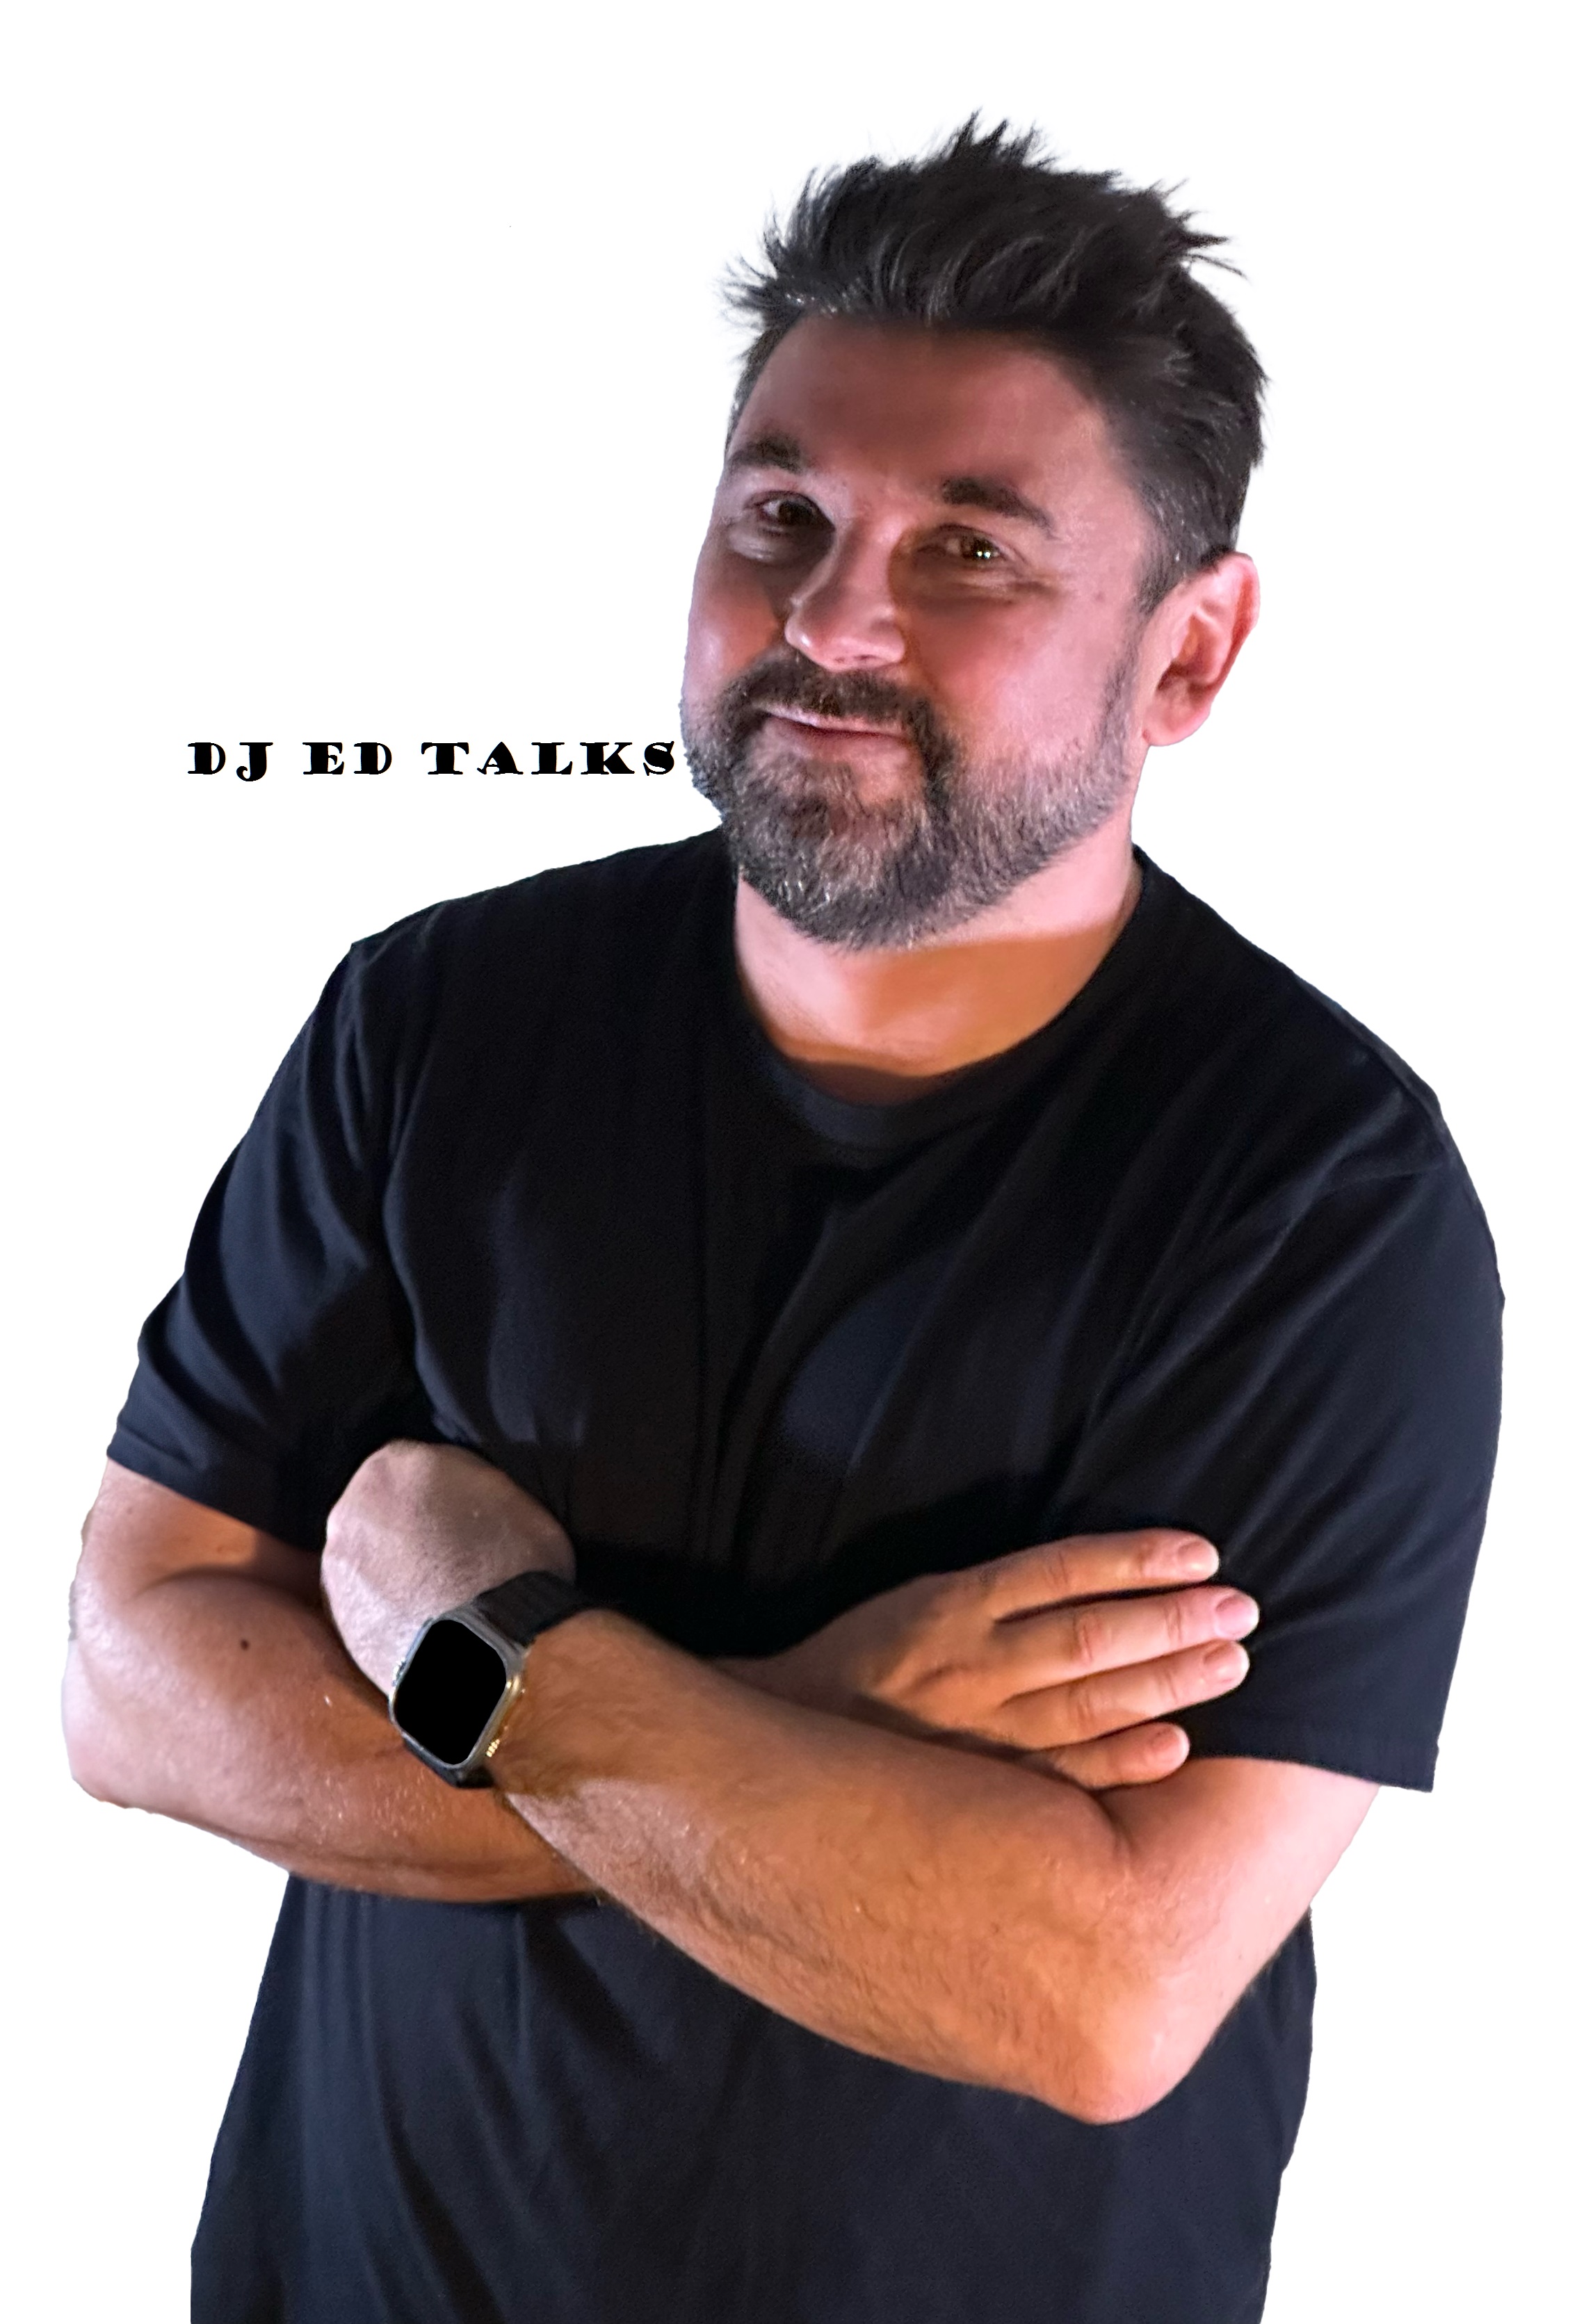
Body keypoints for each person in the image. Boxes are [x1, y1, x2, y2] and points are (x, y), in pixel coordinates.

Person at [63, 122, 1500, 2324]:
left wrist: (473, 1637)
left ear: (1188, 654)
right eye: (782, 518)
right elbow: (132, 1683)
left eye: (969, 550)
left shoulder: (1313, 1199)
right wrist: (799, 1717)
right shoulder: (442, 1019)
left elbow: (1095, 1990)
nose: (831, 620)